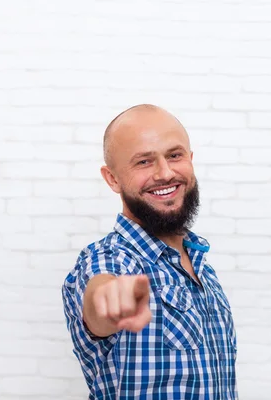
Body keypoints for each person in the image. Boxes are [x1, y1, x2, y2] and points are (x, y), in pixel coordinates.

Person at [62, 104, 238, 399]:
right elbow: (99, 294)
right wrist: (106, 298)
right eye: (143, 162)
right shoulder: (110, 259)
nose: (165, 172)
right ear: (113, 179)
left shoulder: (201, 267)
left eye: (174, 155)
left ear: (190, 159)